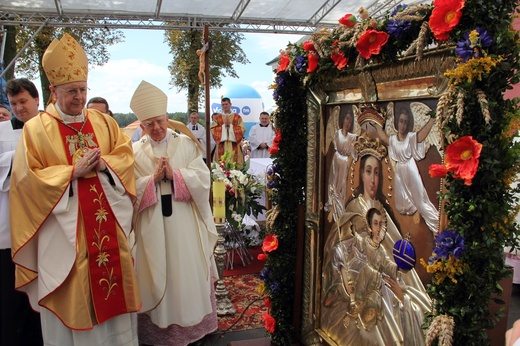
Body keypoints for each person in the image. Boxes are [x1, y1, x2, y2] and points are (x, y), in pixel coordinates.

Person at [9, 33, 141, 346]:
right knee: (76, 301)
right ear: (53, 91)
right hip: (67, 240)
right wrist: (72, 173)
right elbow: (27, 182)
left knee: (116, 303)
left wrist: (104, 165)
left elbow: (125, 156)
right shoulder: (36, 130)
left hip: (109, 236)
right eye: (71, 91)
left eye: (82, 89)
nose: (79, 97)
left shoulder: (104, 122)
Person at [130, 80, 218, 346]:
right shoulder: (133, 152)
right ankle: (157, 332)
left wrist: (176, 175)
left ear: (168, 118)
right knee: (155, 271)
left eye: (159, 121)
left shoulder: (187, 145)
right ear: (141, 126)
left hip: (184, 225)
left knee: (186, 270)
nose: (156, 128)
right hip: (151, 226)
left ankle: (192, 328)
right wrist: (151, 180)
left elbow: (204, 180)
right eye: (149, 124)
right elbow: (128, 191)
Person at [321, 136, 431, 346]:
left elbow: (390, 259)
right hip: (357, 284)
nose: (372, 180)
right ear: (361, 174)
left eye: (377, 173)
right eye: (368, 171)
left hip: (384, 283)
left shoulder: (383, 212)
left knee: (400, 302)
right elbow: (337, 253)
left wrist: (398, 276)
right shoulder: (353, 210)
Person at [1, 78, 43, 345]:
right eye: (14, 103)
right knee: (9, 298)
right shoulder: (4, 131)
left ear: (36, 100)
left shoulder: (50, 128)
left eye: (23, 102)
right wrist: (22, 157)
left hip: (44, 226)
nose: (18, 108)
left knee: (40, 298)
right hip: (10, 228)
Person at [373, 106, 439, 234]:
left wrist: (431, 120)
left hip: (410, 169)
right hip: (399, 172)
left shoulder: (410, 138)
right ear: (397, 122)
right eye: (401, 121)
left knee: (420, 201)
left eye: (405, 122)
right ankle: (414, 214)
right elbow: (384, 138)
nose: (403, 125)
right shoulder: (393, 140)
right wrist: (376, 124)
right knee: (401, 204)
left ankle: (436, 227)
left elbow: (421, 135)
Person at [324, 107, 358, 222]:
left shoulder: (352, 137)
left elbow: (354, 153)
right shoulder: (337, 134)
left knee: (340, 188)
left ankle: (336, 211)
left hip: (344, 163)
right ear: (343, 120)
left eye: (350, 121)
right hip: (336, 160)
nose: (348, 122)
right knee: (332, 184)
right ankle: (332, 207)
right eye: (346, 119)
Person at [211, 97, 246, 167]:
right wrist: (224, 126)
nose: (225, 106)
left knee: (235, 164)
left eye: (226, 104)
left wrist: (231, 126)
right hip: (221, 144)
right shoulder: (217, 118)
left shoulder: (237, 117)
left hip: (234, 145)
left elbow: (242, 129)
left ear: (230, 104)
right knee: (220, 166)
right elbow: (213, 130)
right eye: (223, 104)